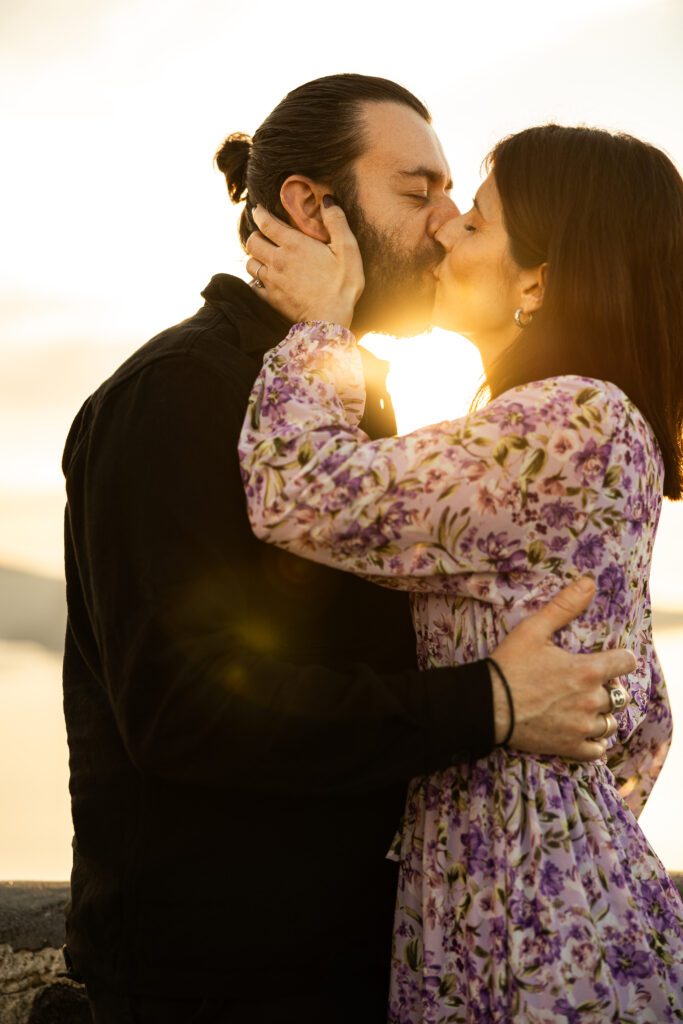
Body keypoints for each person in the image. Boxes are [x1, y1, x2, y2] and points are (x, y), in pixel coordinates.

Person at [62, 75, 632, 1024]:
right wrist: (485, 701)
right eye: (419, 192)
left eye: (454, 198)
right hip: (220, 982)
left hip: (364, 960)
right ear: (308, 206)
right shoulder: (179, 394)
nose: (446, 225)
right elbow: (181, 711)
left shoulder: (347, 400)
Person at [239, 123, 683, 1021]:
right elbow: (645, 720)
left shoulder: (573, 421)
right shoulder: (573, 424)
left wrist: (322, 329)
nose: (443, 231)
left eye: (474, 223)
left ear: (537, 281)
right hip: (523, 906)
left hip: (530, 935)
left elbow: (295, 493)